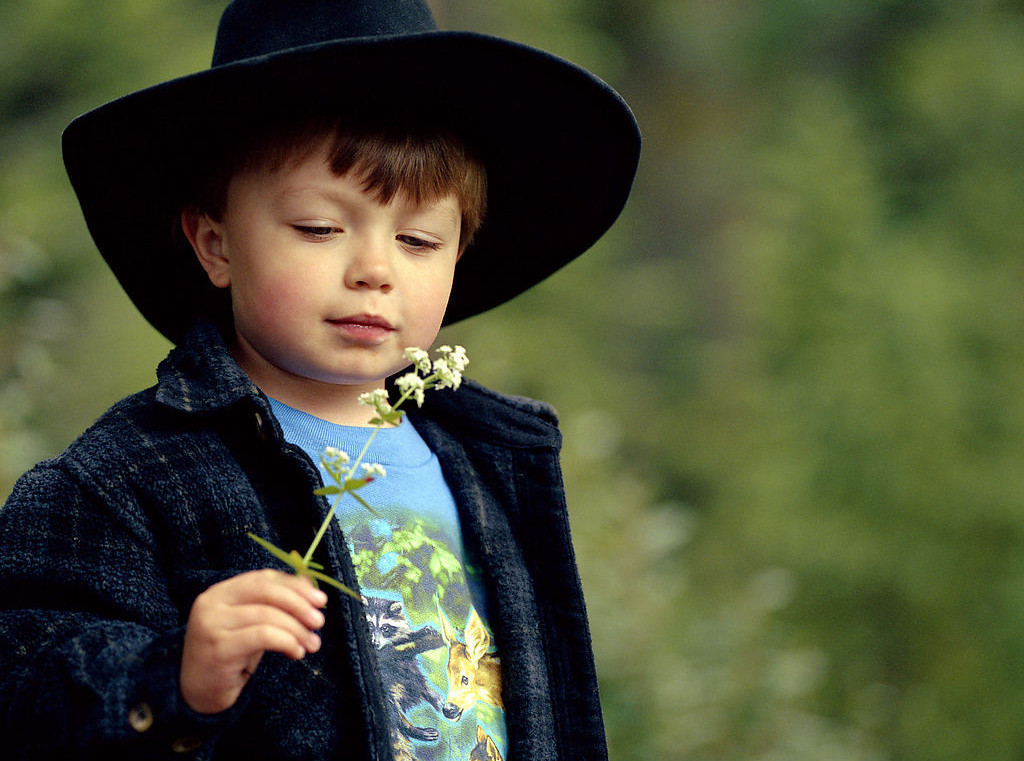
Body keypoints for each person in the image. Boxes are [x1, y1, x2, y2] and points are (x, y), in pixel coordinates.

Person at [0, 0, 640, 759]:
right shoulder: (124, 479)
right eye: (318, 228)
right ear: (216, 244)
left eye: (417, 238)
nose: (374, 270)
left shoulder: (489, 462)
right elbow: (23, 681)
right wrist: (170, 679)